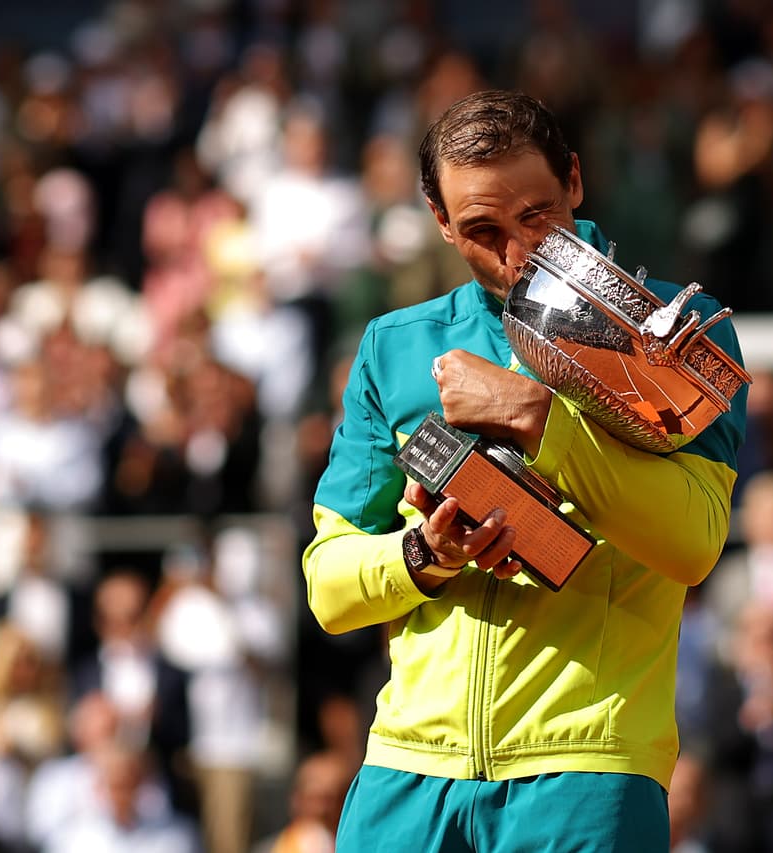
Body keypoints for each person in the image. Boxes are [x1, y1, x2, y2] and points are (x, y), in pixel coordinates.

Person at [302, 90, 748, 852]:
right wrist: (424, 556)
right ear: (439, 221)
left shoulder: (677, 334)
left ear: (574, 181)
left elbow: (694, 544)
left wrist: (539, 419)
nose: (516, 254)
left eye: (536, 216)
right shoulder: (396, 344)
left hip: (588, 772)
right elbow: (330, 588)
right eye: (480, 229)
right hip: (405, 773)